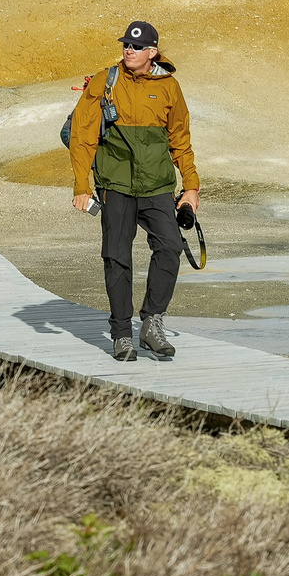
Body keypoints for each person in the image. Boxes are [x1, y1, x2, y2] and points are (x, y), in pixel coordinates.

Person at [68, 19, 199, 362]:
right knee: (117, 257)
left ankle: (152, 323)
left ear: (152, 52)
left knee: (170, 247)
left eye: (137, 46)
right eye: (126, 44)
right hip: (116, 184)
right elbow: (82, 136)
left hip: (157, 185)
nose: (129, 50)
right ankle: (122, 334)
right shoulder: (105, 81)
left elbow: (180, 140)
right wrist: (82, 185)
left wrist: (191, 186)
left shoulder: (169, 87)